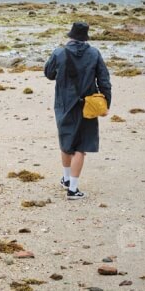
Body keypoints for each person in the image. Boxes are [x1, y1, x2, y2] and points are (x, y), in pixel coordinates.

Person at [44, 21, 111, 200]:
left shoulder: (59, 52)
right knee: (81, 147)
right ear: (85, 37)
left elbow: (49, 74)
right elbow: (104, 81)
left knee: (66, 142)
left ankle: (67, 180)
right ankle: (72, 189)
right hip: (87, 105)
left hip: (63, 103)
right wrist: (106, 104)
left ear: (71, 36)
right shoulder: (94, 54)